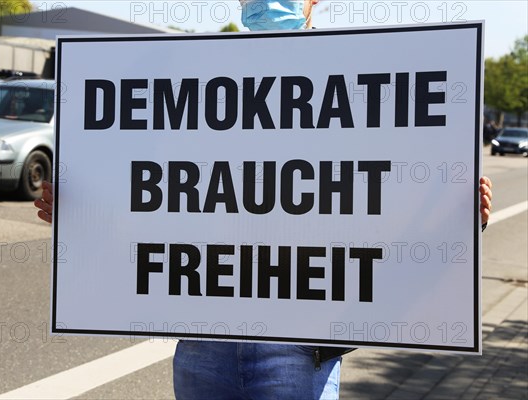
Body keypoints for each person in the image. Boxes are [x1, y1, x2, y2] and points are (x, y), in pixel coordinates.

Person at [35, 1, 494, 398]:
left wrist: (456, 218)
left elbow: (389, 199)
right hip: (202, 341)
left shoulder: (361, 72)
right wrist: (82, 212)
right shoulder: (199, 72)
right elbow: (155, 192)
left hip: (296, 350)